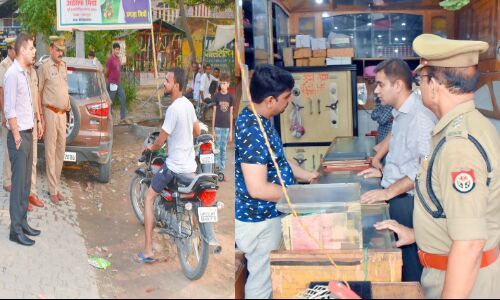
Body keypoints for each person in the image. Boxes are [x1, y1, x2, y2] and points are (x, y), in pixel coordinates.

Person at [375, 34, 500, 298]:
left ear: (435, 84)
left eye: (420, 80)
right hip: (451, 272)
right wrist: (415, 233)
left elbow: (469, 243)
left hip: (465, 283)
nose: (419, 88)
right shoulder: (464, 126)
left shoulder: (459, 145)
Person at [235, 65, 320, 299]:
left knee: (272, 279)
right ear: (270, 100)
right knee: (262, 284)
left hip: (271, 214)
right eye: (285, 97)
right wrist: (298, 196)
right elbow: (258, 188)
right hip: (259, 220)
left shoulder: (263, 119)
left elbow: (278, 160)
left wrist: (308, 175)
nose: (289, 102)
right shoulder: (252, 129)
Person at [357, 58, 437, 282]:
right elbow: (404, 156)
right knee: (399, 267)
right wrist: (383, 173)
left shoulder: (419, 116)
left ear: (399, 85)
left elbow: (424, 166)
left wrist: (387, 192)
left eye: (381, 84)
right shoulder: (400, 113)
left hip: (408, 202)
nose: (377, 90)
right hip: (397, 194)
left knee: (411, 272)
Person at [135, 68, 201, 263]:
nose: (164, 83)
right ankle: (196, 238)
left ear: (176, 85)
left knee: (148, 197)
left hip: (173, 168)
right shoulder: (188, 105)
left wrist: (149, 147)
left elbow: (160, 142)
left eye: (167, 80)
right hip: (190, 167)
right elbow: (197, 131)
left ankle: (147, 251)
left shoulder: (173, 109)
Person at [3, 33, 40, 246]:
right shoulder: (12, 74)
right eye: (32, 48)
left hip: (28, 133)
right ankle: (15, 231)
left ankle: (23, 222)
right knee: (17, 186)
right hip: (19, 137)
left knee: (26, 184)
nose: (34, 51)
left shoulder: (26, 73)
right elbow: (9, 109)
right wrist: (17, 136)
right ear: (22, 50)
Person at [38, 36, 70, 205]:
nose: (60, 53)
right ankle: (52, 190)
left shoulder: (64, 66)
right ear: (51, 49)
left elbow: (64, 88)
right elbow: (39, 91)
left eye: (62, 50)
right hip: (49, 113)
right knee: (50, 152)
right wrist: (40, 117)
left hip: (62, 115)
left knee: (60, 152)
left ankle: (55, 186)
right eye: (57, 49)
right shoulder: (44, 67)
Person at [1, 37, 16, 193]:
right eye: (14, 48)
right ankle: (6, 180)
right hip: (6, 113)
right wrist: (4, 115)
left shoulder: (17, 65)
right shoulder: (4, 65)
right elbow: (1, 92)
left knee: (14, 146)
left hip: (15, 113)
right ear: (9, 49)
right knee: (6, 146)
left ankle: (13, 178)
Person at [212, 73, 233, 178]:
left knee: (223, 150)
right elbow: (214, 113)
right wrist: (213, 130)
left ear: (228, 84)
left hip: (226, 128)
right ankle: (216, 171)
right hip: (217, 127)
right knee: (217, 149)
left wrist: (230, 131)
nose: (222, 85)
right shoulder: (216, 96)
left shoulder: (230, 97)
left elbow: (231, 114)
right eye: (221, 83)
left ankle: (222, 172)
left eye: (224, 83)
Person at [105, 43, 127, 123]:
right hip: (112, 83)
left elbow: (118, 70)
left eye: (118, 49)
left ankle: (123, 118)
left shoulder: (118, 59)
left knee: (123, 97)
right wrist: (109, 79)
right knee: (111, 101)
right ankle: (109, 119)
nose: (117, 51)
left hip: (118, 83)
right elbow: (106, 71)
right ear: (113, 49)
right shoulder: (110, 59)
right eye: (116, 49)